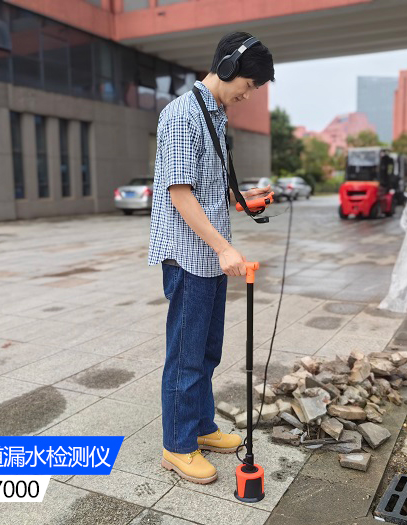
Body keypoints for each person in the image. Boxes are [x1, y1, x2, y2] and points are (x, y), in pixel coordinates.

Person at [147, 31, 275, 484]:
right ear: (226, 69)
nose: (250, 93)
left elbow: (206, 187)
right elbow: (180, 193)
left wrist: (243, 201)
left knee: (205, 351)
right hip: (190, 256)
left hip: (211, 255)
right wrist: (223, 247)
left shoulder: (214, 115)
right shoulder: (182, 115)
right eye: (250, 83)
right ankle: (177, 446)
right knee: (185, 354)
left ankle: (200, 427)